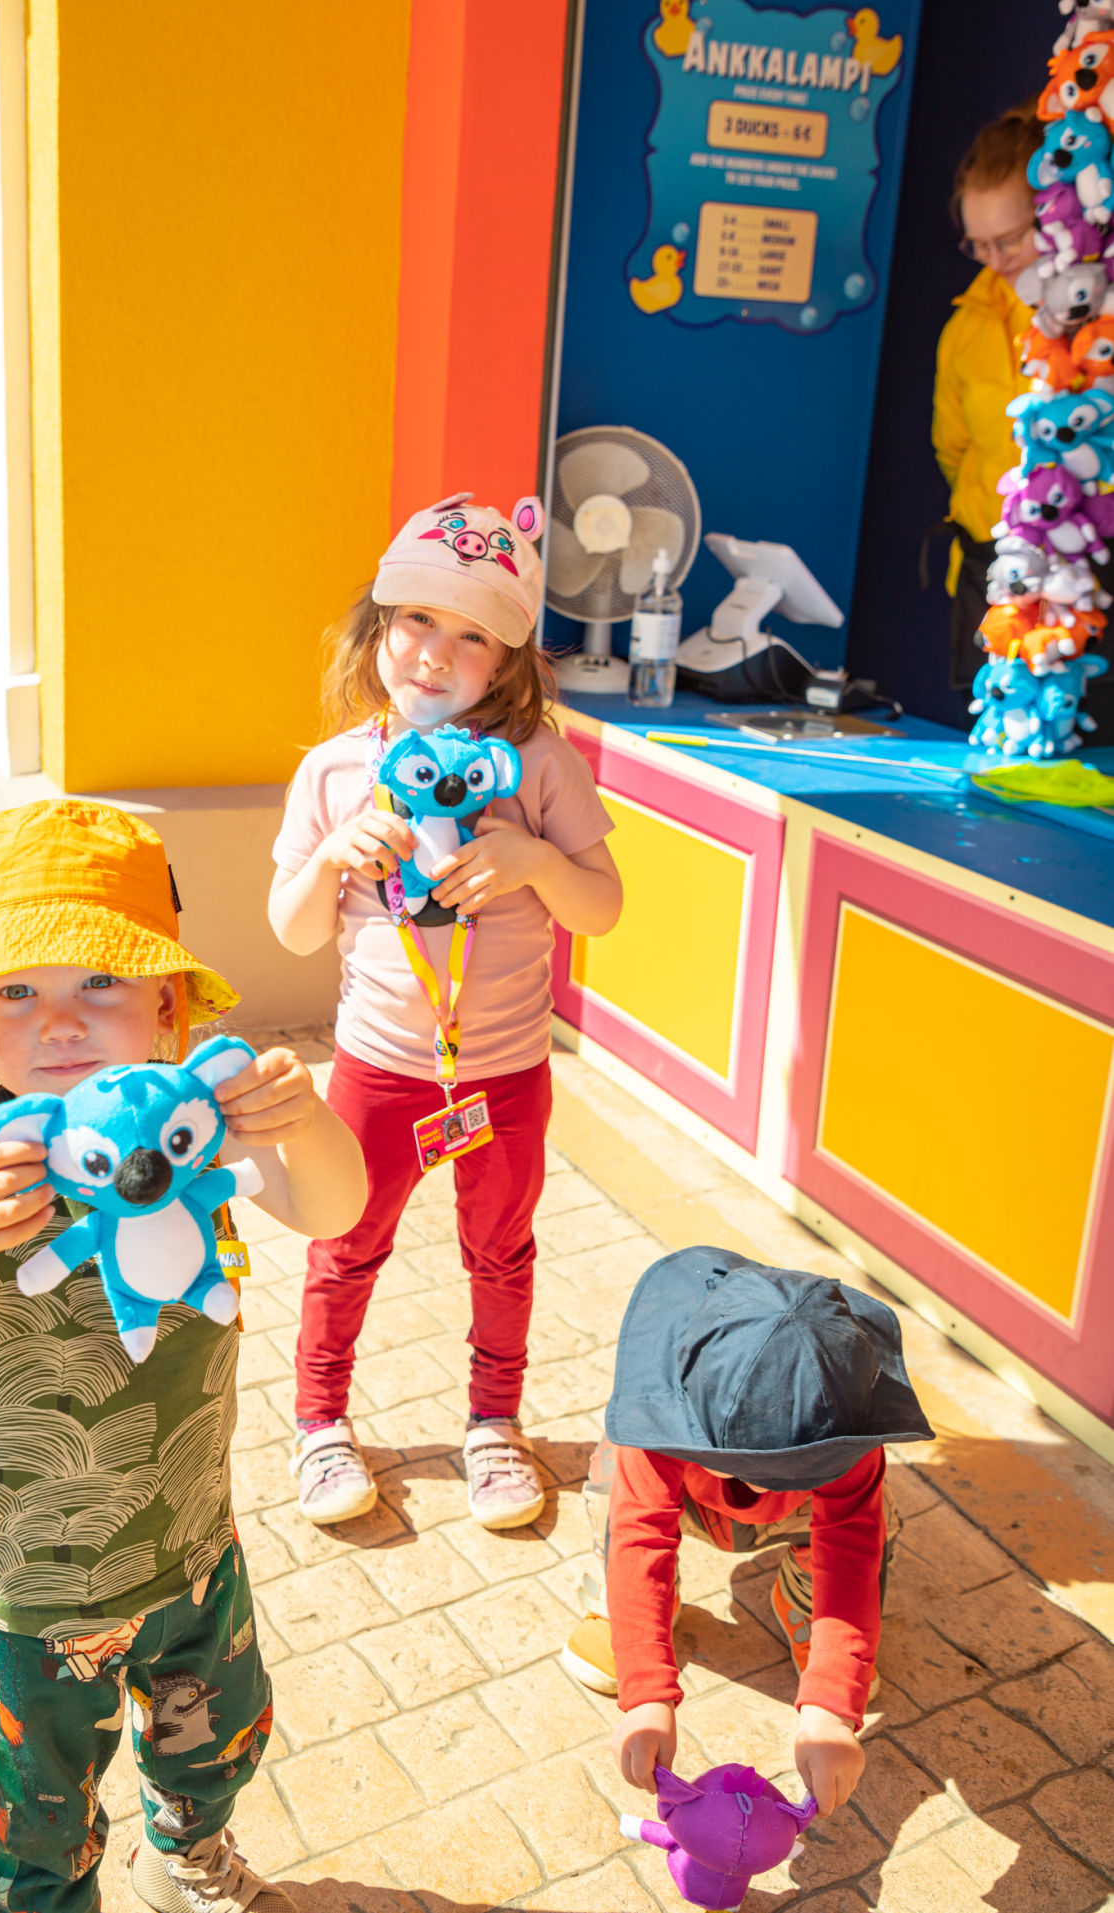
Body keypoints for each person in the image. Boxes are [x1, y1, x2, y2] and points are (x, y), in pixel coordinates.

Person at [0, 801, 367, 1913]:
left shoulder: (200, 1139)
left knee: (215, 1744)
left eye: (98, 983)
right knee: (35, 1808)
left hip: (192, 1547)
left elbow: (334, 1211)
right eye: (15, 992)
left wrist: (302, 1120)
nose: (59, 1022)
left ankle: (182, 1850)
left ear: (166, 1005)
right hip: (37, 1593)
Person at [269, 495, 622, 1529]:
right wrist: (334, 859)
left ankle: (493, 1425)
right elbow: (290, 929)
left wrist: (536, 859)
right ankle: (321, 1422)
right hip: (377, 1068)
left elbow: (601, 907)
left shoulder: (540, 767)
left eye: (472, 635)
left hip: (505, 1072)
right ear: (377, 627)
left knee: (501, 1249)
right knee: (345, 1240)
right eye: (417, 619)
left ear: (508, 664)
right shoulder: (334, 771)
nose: (435, 652)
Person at [561, 1248, 930, 1816]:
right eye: (743, 1469)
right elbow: (642, 1535)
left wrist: (831, 1704)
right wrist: (647, 1692)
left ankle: (802, 1603)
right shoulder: (656, 1422)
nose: (758, 1486)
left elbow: (851, 1552)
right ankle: (634, 1612)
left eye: (798, 1472)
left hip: (793, 1522)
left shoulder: (847, 1431)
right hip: (688, 1506)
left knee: (880, 1520)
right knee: (613, 1480)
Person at [932, 102, 1043, 694]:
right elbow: (953, 449)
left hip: (1076, 569)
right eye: (978, 245)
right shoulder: (965, 325)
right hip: (986, 566)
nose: (995, 263)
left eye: (1010, 240)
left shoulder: (1087, 320)